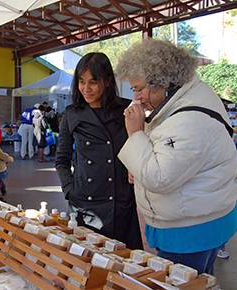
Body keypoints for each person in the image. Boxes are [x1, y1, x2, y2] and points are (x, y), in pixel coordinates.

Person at [116, 39, 237, 274]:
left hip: (190, 230)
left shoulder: (189, 120)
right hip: (200, 218)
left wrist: (135, 134)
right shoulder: (189, 98)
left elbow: (159, 177)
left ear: (163, 83)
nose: (137, 97)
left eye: (138, 88)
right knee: (201, 279)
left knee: (183, 280)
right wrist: (139, 163)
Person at [55, 52, 143, 250]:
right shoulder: (72, 113)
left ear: (108, 81)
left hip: (120, 200)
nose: (86, 89)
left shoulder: (125, 110)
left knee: (123, 260)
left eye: (93, 82)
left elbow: (140, 146)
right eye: (81, 81)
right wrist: (69, 190)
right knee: (88, 259)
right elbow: (61, 159)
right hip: (85, 202)